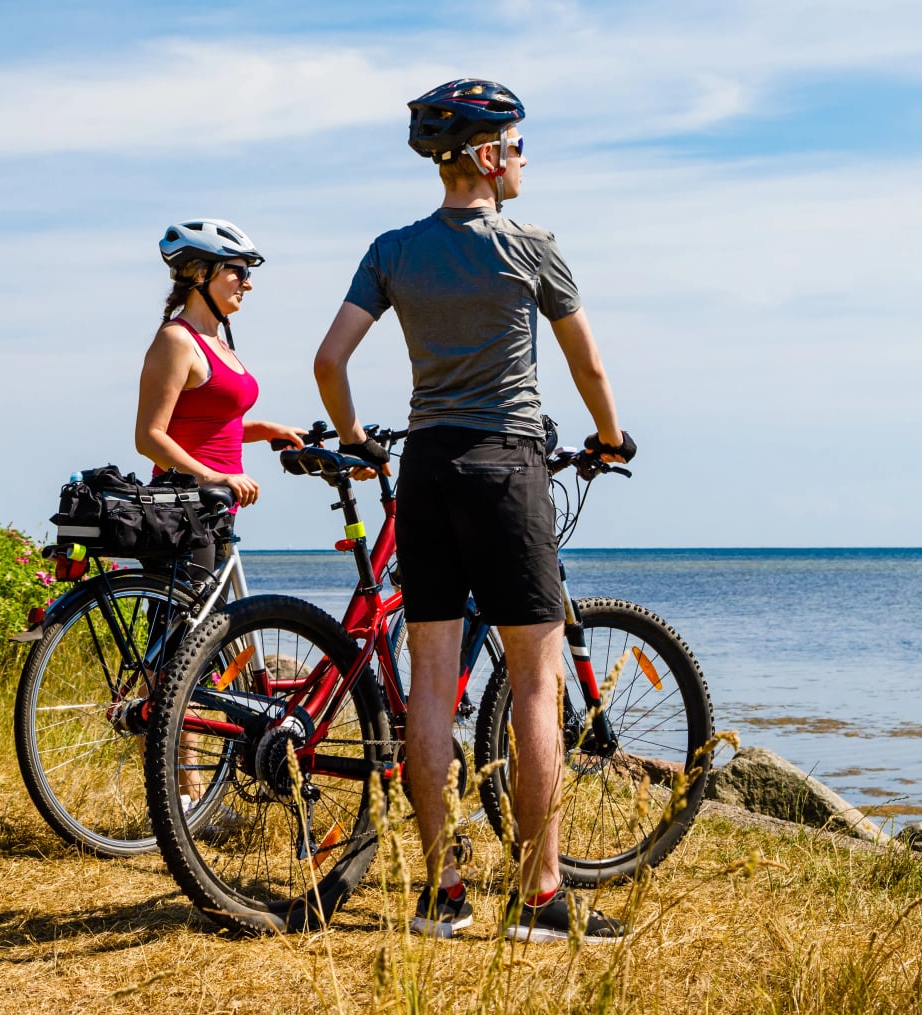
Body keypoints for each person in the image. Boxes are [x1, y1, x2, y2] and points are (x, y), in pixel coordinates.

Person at [313, 79, 638, 943]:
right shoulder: (532, 247)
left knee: (430, 682)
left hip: (426, 469)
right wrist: (611, 438)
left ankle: (441, 893)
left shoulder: (392, 251)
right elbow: (589, 369)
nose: (526, 160)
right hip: (504, 467)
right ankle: (539, 897)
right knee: (535, 680)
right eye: (520, 146)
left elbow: (329, 360)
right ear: (489, 155)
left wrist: (355, 437)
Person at [136, 219, 307, 550]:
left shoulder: (216, 342)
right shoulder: (177, 340)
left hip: (216, 505)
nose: (248, 284)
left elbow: (207, 425)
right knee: (195, 588)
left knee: (216, 588)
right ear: (202, 274)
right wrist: (211, 476)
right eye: (240, 272)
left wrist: (268, 430)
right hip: (184, 507)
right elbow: (148, 437)